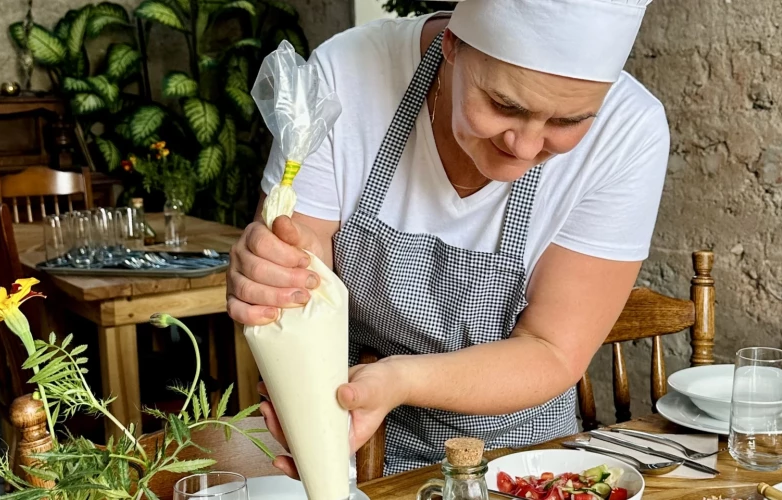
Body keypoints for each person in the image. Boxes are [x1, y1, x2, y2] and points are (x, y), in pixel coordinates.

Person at [228, 0, 668, 476]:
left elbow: (551, 349)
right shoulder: (346, 74)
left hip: (525, 459)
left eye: (568, 121)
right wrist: (283, 272)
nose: (524, 146)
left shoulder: (630, 133)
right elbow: (300, 259)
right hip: (352, 437)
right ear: (452, 45)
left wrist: (398, 379)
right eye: (504, 105)